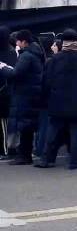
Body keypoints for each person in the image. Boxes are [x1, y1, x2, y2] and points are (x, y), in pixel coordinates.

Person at [36, 29, 77, 170]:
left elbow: (46, 81)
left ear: (63, 42)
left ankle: (46, 160)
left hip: (58, 101)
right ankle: (74, 162)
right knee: (75, 131)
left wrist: (47, 97)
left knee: (53, 130)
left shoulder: (55, 59)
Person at [0, 30, 44, 166]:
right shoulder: (36, 53)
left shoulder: (26, 56)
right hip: (33, 93)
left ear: (24, 42)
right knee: (28, 125)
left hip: (25, 95)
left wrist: (3, 68)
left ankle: (24, 156)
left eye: (18, 41)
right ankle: (25, 155)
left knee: (25, 126)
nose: (16, 44)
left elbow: (16, 74)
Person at [0, 26, 17, 158]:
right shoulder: (11, 52)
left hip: (4, 92)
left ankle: (5, 149)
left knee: (3, 123)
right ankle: (6, 148)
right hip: (7, 91)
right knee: (5, 123)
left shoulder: (10, 52)